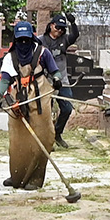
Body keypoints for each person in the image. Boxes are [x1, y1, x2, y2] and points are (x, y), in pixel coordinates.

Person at [0, 21, 62, 190]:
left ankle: (35, 179)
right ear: (16, 40)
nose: (23, 43)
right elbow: (6, 78)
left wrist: (57, 79)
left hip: (40, 97)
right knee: (18, 139)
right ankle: (18, 175)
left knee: (43, 137)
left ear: (31, 37)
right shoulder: (10, 57)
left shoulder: (42, 52)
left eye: (26, 39)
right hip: (19, 99)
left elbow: (54, 70)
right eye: (20, 40)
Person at [40, 13, 80, 148]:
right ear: (51, 25)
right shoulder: (41, 41)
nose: (59, 30)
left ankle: (57, 133)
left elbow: (75, 36)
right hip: (46, 81)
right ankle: (47, 138)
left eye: (62, 28)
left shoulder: (65, 40)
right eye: (57, 27)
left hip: (62, 79)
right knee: (46, 110)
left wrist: (73, 23)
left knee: (67, 108)